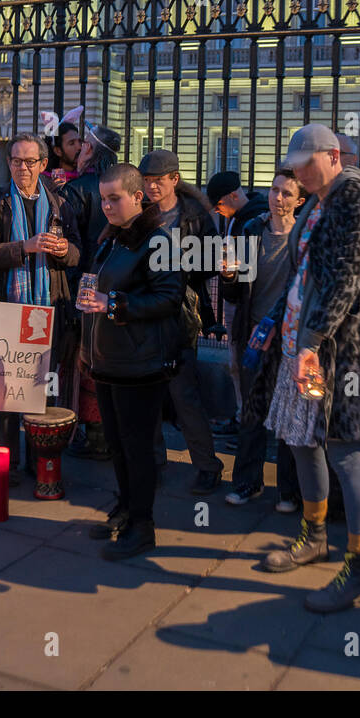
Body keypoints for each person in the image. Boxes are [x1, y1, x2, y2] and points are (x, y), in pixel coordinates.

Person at [251, 123, 360, 613]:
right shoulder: (319, 200)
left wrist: (311, 341)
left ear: (334, 156)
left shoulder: (354, 199)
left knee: (343, 452)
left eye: (306, 165)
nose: (298, 173)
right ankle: (314, 536)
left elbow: (346, 281)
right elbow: (302, 274)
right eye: (294, 166)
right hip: (305, 345)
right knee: (300, 438)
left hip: (341, 354)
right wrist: (278, 321)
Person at [77, 163, 185, 559]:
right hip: (108, 361)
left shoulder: (156, 241)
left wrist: (114, 303)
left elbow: (168, 298)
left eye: (114, 198)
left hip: (140, 365)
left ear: (138, 197)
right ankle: (125, 508)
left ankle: (144, 526)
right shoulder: (114, 238)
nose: (106, 206)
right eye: (102, 199)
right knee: (118, 447)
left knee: (138, 448)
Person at [0, 132, 82, 484]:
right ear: (8, 163)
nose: (23, 167)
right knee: (7, 395)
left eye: (29, 161)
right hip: (10, 308)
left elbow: (80, 254)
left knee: (44, 391)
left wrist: (64, 250)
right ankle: (6, 467)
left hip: (48, 310)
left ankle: (41, 461)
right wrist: (25, 246)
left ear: (43, 164)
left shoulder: (59, 204)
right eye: (16, 161)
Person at [139, 149, 227, 494]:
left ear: (174, 179)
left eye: (157, 181)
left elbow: (209, 268)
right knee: (147, 393)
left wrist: (179, 262)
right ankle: (155, 461)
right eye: (146, 181)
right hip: (143, 310)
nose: (150, 187)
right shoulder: (141, 213)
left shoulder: (194, 216)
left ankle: (207, 465)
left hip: (180, 314)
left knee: (184, 394)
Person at [218, 166, 304, 508]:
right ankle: (246, 482)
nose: (278, 198)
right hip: (253, 334)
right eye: (274, 190)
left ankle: (288, 490)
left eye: (286, 193)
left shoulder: (303, 238)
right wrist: (228, 276)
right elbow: (237, 292)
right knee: (252, 415)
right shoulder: (252, 230)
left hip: (288, 339)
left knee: (287, 418)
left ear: (299, 201)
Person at [63, 122, 121, 460]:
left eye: (83, 145)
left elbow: (72, 245)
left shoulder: (79, 189)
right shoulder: (122, 187)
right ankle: (108, 434)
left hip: (85, 281)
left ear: (91, 150)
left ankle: (96, 437)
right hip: (117, 283)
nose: (79, 150)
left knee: (86, 359)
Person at [208, 169, 268, 434]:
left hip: (245, 304)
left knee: (244, 365)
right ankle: (243, 416)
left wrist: (232, 272)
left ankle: (248, 421)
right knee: (237, 364)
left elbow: (253, 268)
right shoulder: (239, 218)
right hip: (235, 299)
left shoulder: (253, 219)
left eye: (220, 204)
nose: (218, 210)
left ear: (234, 195)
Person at [44, 118, 84, 188]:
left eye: (80, 142)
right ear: (58, 151)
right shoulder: (44, 181)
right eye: (72, 143)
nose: (79, 147)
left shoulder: (88, 176)